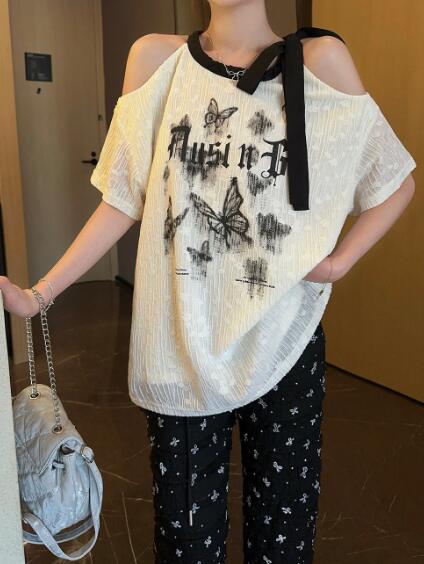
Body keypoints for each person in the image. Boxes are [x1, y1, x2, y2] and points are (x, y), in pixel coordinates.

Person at [4, 1, 416, 562]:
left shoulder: (320, 61)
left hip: (285, 341)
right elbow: (124, 197)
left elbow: (393, 180)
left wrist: (337, 263)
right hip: (180, 344)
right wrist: (40, 294)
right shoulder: (156, 60)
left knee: (284, 538)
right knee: (186, 542)